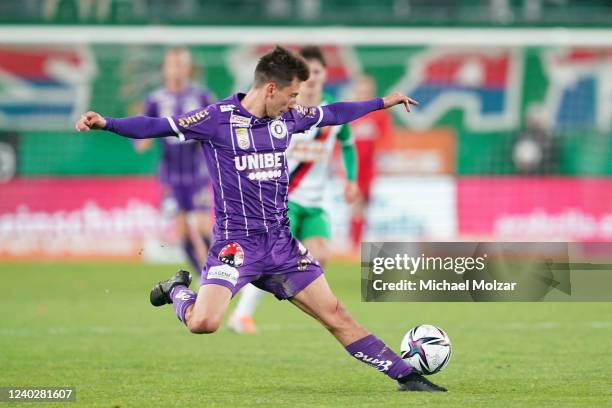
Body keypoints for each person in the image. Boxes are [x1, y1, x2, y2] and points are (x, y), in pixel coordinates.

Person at [75, 46, 445, 392]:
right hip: (235, 246)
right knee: (203, 323)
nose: (296, 103)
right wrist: (106, 123)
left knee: (336, 314)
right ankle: (177, 289)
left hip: (281, 244)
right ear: (270, 89)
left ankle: (406, 376)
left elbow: (334, 114)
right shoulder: (216, 120)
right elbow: (157, 126)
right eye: (292, 95)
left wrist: (383, 102)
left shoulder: (288, 120)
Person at [227, 46, 359, 334]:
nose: (312, 78)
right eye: (307, 73)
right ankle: (242, 314)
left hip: (315, 202)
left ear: (325, 75)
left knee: (320, 255)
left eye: (317, 72)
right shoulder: (284, 111)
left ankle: (283, 296)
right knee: (272, 258)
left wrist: (351, 179)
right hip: (284, 200)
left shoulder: (329, 113)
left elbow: (348, 145)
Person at [135, 47, 214, 274]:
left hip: (197, 172)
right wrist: (142, 140)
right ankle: (202, 274)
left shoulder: (202, 96)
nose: (177, 70)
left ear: (189, 68)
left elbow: (215, 126)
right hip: (170, 174)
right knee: (181, 231)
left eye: (182, 65)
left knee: (202, 227)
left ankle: (216, 272)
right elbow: (142, 129)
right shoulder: (154, 99)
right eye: (173, 65)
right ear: (165, 69)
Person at [348, 74, 394, 251]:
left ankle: (356, 239)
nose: (363, 94)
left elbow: (386, 138)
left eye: (367, 91)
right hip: (353, 166)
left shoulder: (379, 115)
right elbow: (340, 138)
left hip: (370, 167)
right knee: (356, 203)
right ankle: (354, 246)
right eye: (361, 90)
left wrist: (385, 156)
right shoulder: (350, 112)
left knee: (364, 205)